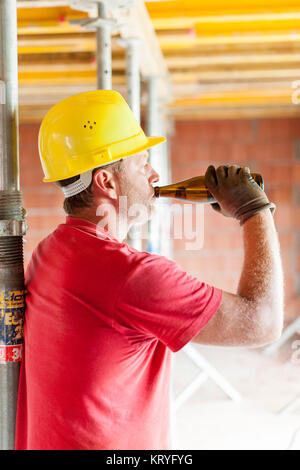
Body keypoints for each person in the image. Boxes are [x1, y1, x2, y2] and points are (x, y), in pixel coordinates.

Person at [15, 90, 283, 450]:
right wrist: (254, 211)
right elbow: (262, 322)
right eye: (142, 163)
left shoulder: (52, 250)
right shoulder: (129, 275)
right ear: (106, 182)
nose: (154, 174)